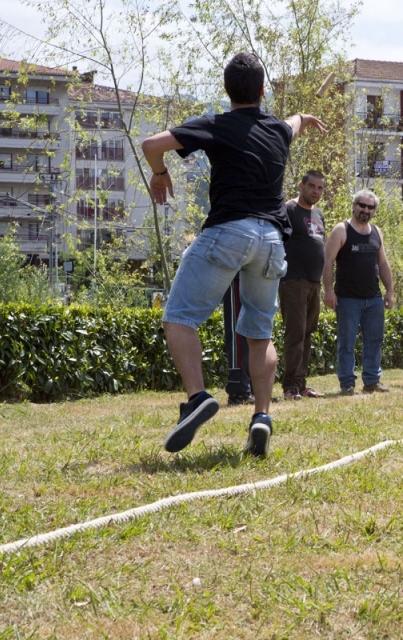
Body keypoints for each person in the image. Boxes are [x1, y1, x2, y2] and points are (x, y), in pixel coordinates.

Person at [141, 52, 325, 456]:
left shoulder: (217, 124)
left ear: (227, 92)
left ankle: (197, 398)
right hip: (274, 242)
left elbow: (151, 145)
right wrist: (303, 116)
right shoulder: (278, 130)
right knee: (259, 334)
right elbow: (292, 124)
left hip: (230, 231)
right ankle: (261, 416)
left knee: (179, 318)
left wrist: (160, 173)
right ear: (262, 91)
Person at [322, 189, 394, 395]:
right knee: (347, 342)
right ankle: (347, 383)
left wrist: (389, 291)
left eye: (370, 207)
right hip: (347, 298)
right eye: (362, 205)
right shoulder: (341, 230)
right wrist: (328, 291)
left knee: (375, 340)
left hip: (373, 298)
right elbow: (328, 263)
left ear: (374, 210)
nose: (366, 210)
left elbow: (383, 263)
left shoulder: (376, 232)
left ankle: (372, 380)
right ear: (354, 206)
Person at [280, 170, 327, 400]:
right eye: (312, 186)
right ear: (302, 185)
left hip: (313, 282)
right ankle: (290, 387)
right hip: (293, 280)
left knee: (307, 333)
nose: (316, 191)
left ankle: (301, 384)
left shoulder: (319, 214)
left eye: (320, 188)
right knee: (295, 334)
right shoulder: (288, 209)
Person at [223, 277, 253, 405]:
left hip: (255, 276)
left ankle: (254, 389)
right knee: (237, 333)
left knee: (256, 334)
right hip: (235, 276)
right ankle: (238, 390)